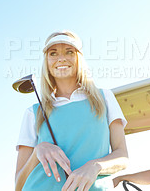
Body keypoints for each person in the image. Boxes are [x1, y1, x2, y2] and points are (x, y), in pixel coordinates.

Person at [15, 31, 129, 191]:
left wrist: (95, 166)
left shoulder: (105, 98)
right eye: (53, 53)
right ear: (46, 62)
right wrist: (38, 151)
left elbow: (122, 156)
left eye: (69, 51)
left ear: (79, 58)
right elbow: (18, 185)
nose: (61, 58)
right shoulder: (33, 112)